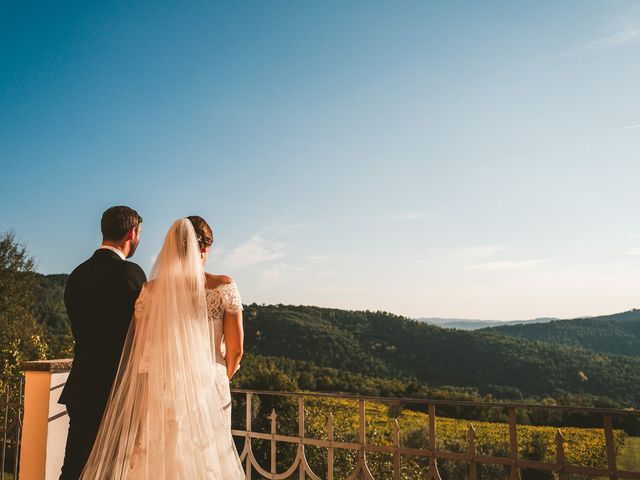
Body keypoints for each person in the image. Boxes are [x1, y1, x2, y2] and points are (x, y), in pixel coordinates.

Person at [79, 216, 245, 479]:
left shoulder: (150, 291)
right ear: (203, 248)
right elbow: (236, 351)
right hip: (210, 385)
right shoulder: (223, 286)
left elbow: (144, 349)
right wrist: (218, 378)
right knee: (208, 459)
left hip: (164, 388)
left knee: (161, 457)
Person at [59, 206, 146, 480]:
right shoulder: (132, 275)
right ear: (132, 233)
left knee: (73, 467)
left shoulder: (76, 276)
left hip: (81, 385)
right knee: (112, 471)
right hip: (115, 389)